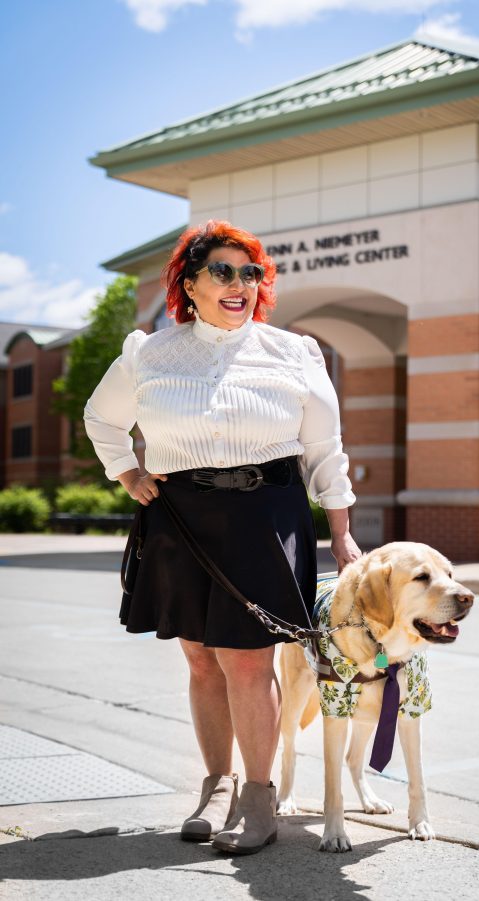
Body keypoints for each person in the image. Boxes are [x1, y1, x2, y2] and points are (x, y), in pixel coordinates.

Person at [83, 219, 359, 855]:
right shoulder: (149, 354)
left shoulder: (295, 353)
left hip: (267, 514)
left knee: (247, 658)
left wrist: (342, 532)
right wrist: (124, 469)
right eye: (223, 272)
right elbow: (101, 416)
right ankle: (216, 785)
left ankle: (260, 797)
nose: (240, 285)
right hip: (181, 516)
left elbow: (324, 448)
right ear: (189, 281)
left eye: (250, 273)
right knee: (201, 656)